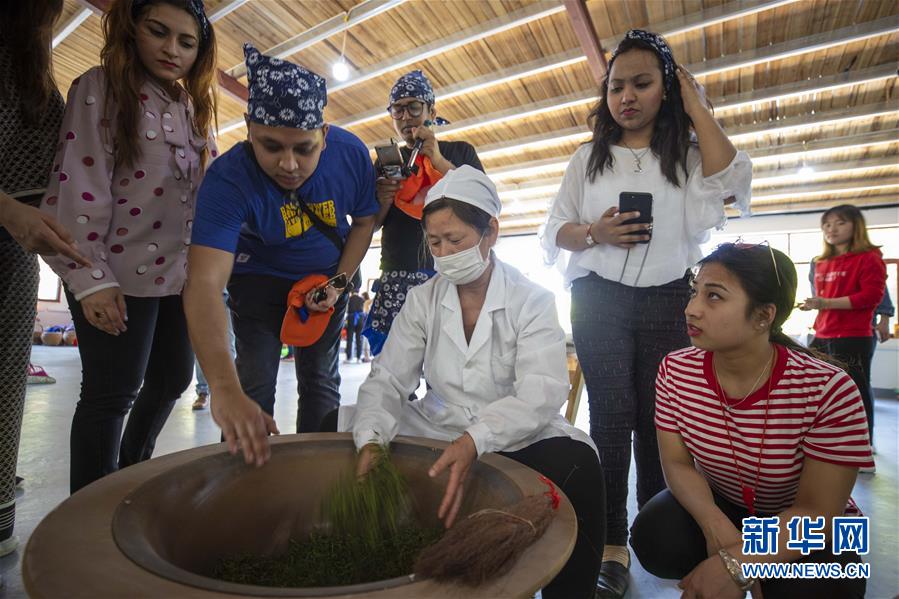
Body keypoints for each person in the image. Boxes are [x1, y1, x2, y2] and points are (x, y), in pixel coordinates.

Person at [539, 29, 751, 597]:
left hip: (667, 300)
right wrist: (593, 232)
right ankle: (611, 545)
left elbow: (734, 179)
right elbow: (552, 228)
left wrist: (697, 105)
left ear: (667, 90)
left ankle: (663, 535)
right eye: (616, 86)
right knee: (610, 417)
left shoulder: (686, 156)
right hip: (599, 299)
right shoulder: (587, 159)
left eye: (642, 83)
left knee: (662, 427)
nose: (626, 96)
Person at [326, 166, 603, 598]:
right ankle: (362, 565)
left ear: (490, 231)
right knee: (338, 426)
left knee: (580, 467)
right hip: (440, 421)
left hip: (515, 432)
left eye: (455, 240)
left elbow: (541, 392)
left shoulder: (531, 300)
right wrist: (373, 440)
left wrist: (478, 438)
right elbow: (388, 379)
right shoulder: (423, 300)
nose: (443, 252)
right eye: (434, 243)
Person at [40, 0, 218, 493]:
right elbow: (79, 186)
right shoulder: (99, 89)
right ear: (132, 29)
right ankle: (90, 508)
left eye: (186, 42)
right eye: (158, 32)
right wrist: (90, 280)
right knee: (111, 392)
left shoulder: (190, 107)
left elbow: (207, 194)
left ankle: (128, 476)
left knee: (174, 378)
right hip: (116, 275)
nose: (171, 49)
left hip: (178, 278)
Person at [631, 243, 872, 599]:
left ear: (763, 316)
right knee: (655, 536)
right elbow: (678, 464)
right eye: (694, 292)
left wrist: (741, 560)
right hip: (728, 504)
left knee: (816, 590)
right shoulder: (676, 370)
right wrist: (721, 534)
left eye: (714, 297)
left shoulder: (827, 389)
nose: (691, 309)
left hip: (809, 525)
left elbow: (818, 510)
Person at [184, 43, 378, 460]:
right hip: (257, 281)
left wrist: (338, 284)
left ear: (324, 136)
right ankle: (245, 487)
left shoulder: (351, 156)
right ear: (248, 128)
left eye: (303, 148)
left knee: (321, 383)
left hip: (327, 277)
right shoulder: (228, 180)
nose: (288, 165)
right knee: (251, 386)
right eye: (270, 146)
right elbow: (203, 282)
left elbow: (363, 223)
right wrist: (222, 387)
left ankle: (315, 477)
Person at [363, 70, 484, 355]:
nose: (405, 117)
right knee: (392, 368)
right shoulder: (385, 163)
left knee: (447, 369)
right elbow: (372, 225)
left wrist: (439, 161)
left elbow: (482, 198)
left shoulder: (460, 152)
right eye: (397, 109)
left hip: (449, 273)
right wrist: (384, 198)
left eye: (414, 107)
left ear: (432, 110)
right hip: (396, 271)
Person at [800, 204, 886, 456]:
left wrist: (825, 303)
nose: (831, 229)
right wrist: (815, 304)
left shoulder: (869, 257)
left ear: (855, 225)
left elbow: (870, 297)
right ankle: (821, 441)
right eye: (827, 224)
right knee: (815, 389)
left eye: (840, 223)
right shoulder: (821, 262)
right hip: (823, 332)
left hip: (854, 335)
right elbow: (823, 297)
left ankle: (863, 445)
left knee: (858, 389)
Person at [192, 291, 234, 410]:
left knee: (229, 345)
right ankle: (203, 391)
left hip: (232, 292)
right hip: (206, 292)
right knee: (203, 344)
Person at [344, 290, 365, 363]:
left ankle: (349, 358)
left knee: (350, 338)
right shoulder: (362, 299)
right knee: (359, 339)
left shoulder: (349, 299)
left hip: (351, 318)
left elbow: (346, 310)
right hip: (360, 319)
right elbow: (363, 310)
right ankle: (359, 358)